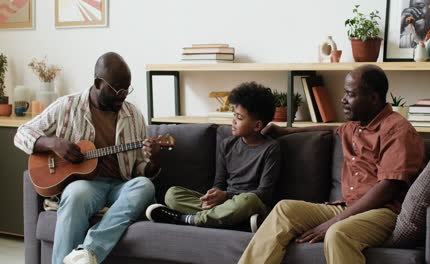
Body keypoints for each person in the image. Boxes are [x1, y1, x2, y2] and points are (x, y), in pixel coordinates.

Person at [238, 65, 425, 264]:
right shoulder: (356, 125)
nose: (343, 99)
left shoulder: (397, 131)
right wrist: (287, 131)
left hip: (384, 213)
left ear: (373, 97)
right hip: (348, 207)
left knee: (338, 233)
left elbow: (389, 187)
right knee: (285, 209)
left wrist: (333, 221)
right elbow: (331, 128)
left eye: (350, 94)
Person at [15, 52, 161, 264]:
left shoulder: (133, 115)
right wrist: (53, 143)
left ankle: (89, 252)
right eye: (117, 90)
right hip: (86, 184)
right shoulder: (66, 106)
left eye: (126, 90)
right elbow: (22, 133)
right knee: (75, 194)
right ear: (98, 83)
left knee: (145, 186)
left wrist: (152, 161)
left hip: (121, 185)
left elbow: (139, 167)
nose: (123, 96)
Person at [145, 81, 280, 232]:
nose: (233, 121)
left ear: (257, 126)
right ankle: (233, 222)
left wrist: (226, 196)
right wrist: (212, 196)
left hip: (249, 204)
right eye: (234, 115)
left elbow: (264, 194)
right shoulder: (227, 145)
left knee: (249, 200)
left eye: (240, 118)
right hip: (224, 205)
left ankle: (187, 219)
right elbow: (219, 182)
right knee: (172, 194)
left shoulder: (270, 149)